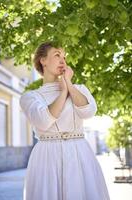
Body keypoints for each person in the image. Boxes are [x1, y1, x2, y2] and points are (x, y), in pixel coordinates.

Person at [20, 41, 110, 200]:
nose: (63, 60)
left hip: (79, 152)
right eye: (57, 55)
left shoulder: (79, 89)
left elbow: (88, 112)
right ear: (43, 60)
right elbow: (43, 120)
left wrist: (69, 84)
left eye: (64, 56)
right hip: (47, 156)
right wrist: (63, 93)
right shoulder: (30, 97)